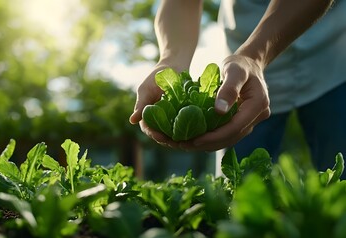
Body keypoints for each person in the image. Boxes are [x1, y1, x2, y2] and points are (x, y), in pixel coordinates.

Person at [129, 0, 346, 174]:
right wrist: (171, 60)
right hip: (241, 79)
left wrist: (254, 56)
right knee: (235, 194)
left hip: (333, 57)